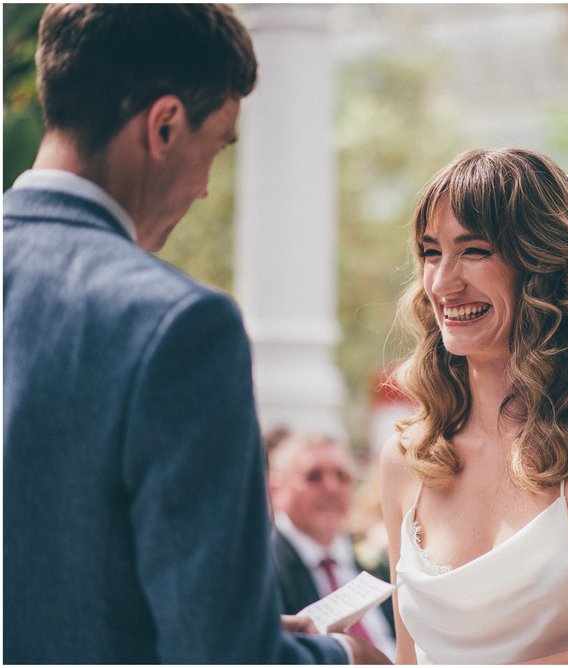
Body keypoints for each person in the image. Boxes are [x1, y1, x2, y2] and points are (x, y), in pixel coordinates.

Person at [2, 5, 386, 663]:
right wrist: (345, 659)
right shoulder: (178, 327)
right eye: (219, 145)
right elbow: (222, 656)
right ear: (166, 125)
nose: (207, 189)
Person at [379, 148, 568, 664]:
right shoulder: (406, 456)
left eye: (474, 250)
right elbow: (412, 656)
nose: (442, 282)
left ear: (541, 264)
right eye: (432, 253)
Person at [269, 431, 396, 657]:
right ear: (276, 489)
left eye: (342, 477)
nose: (331, 487)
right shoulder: (264, 566)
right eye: (313, 476)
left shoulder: (372, 557)